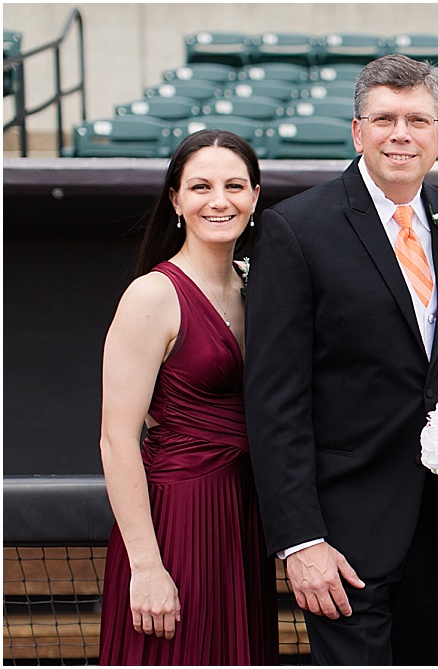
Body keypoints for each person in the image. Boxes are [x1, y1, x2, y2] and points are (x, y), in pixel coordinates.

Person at [243, 54, 438, 665]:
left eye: (416, 120)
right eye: (383, 119)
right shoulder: (295, 229)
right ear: (357, 131)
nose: (400, 133)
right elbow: (276, 399)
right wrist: (301, 540)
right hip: (342, 535)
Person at [98, 129, 278, 665]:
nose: (219, 200)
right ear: (176, 200)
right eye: (200, 186)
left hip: (243, 519)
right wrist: (147, 566)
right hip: (178, 519)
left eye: (234, 185)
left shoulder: (259, 289)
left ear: (255, 195)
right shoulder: (153, 294)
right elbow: (116, 439)